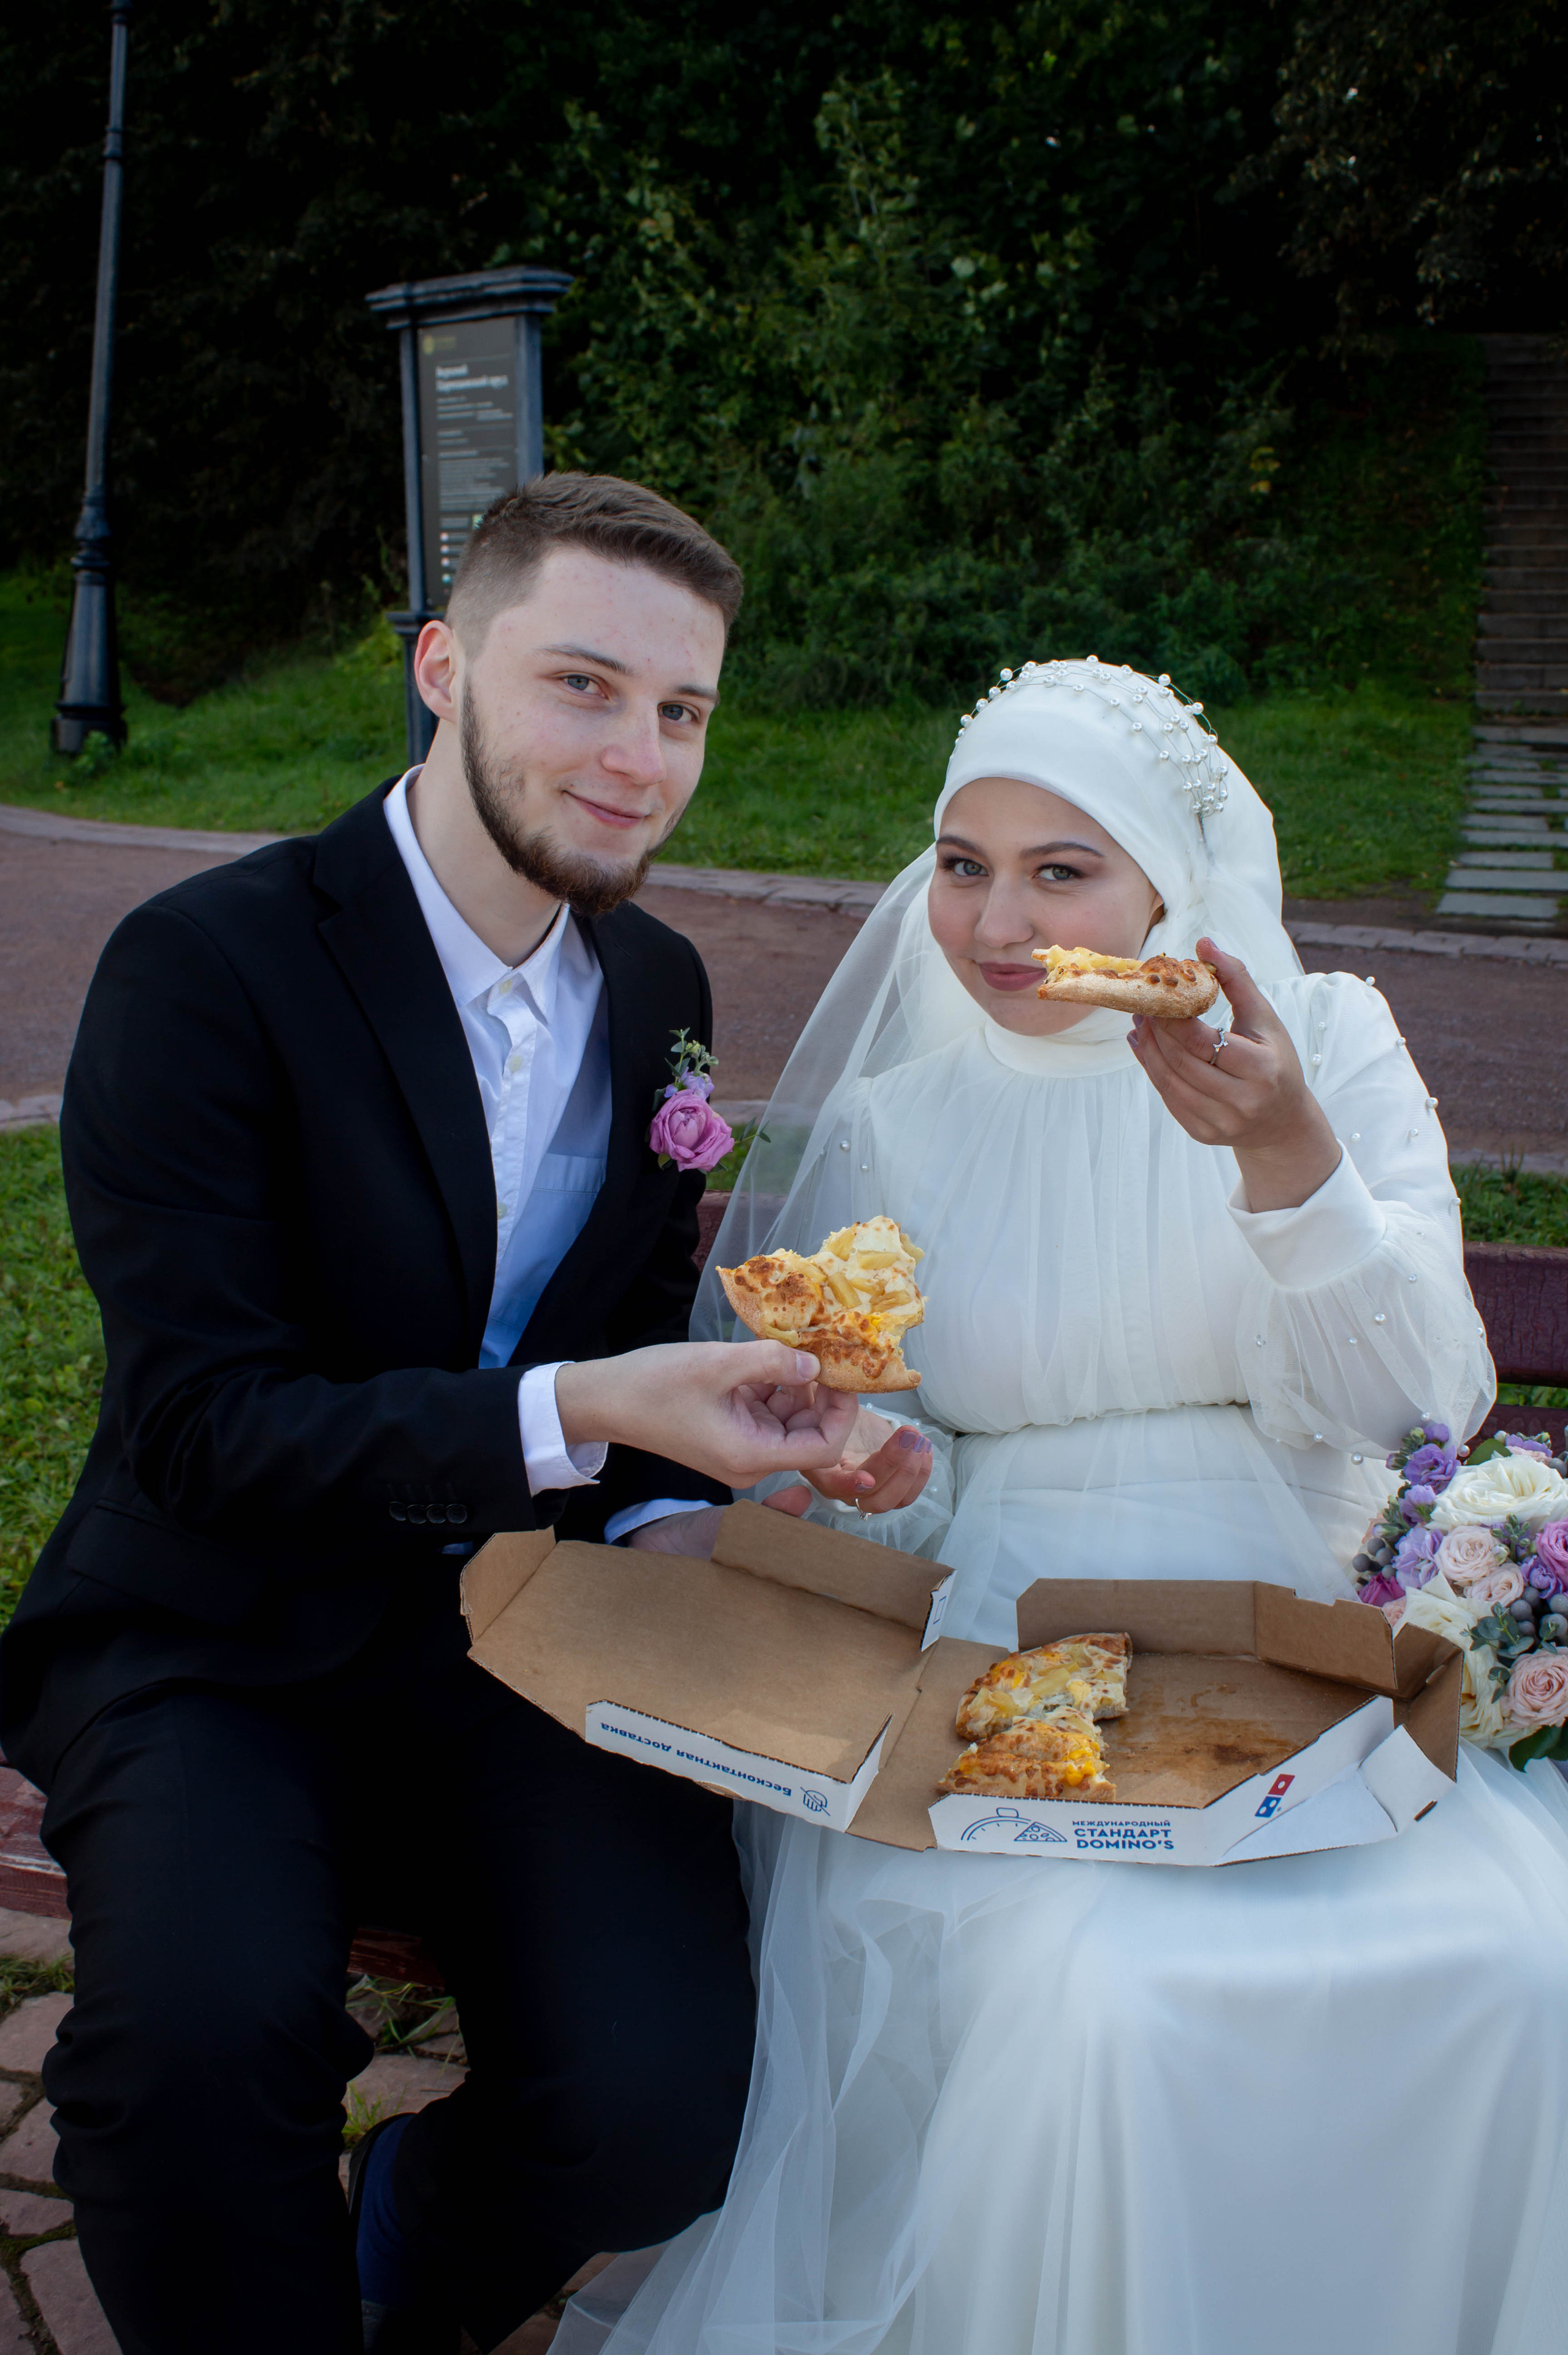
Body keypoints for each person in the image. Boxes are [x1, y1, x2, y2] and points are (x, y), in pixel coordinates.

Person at [0, 473, 909, 2355]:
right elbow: (206, 1431)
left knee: (660, 2109)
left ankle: (416, 2234)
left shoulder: (654, 980)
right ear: (444, 668)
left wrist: (714, 1490)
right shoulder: (207, 966)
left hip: (523, 1636)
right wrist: (590, 1406)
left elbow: (627, 1339)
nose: (640, 756)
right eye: (584, 685)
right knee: (190, 2055)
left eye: (683, 712)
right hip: (217, 1631)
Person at [572, 657, 1568, 2355]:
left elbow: (1422, 1408)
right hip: (1000, 1644)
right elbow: (916, 1460)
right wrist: (871, 1478)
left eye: (1061, 870)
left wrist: (1291, 1169)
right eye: (964, 864)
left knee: (1521, 1965)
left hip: (1294, 1620)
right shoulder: (903, 1113)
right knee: (1110, 2004)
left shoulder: (1320, 1041)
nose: (996, 924)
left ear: (1169, 886)